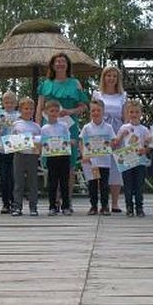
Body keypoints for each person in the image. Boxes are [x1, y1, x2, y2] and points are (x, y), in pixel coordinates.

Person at [35, 52, 89, 207]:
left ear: (67, 65)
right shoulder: (46, 84)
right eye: (57, 62)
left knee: (69, 164)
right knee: (52, 163)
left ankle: (67, 199)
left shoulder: (75, 83)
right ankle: (55, 199)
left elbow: (84, 106)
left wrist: (69, 111)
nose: (60, 64)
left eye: (63, 62)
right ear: (52, 65)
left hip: (68, 127)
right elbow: (39, 107)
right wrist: (38, 127)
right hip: (48, 128)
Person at [92, 66, 127, 213]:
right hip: (100, 133)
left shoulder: (122, 96)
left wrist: (120, 136)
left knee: (117, 168)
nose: (111, 78)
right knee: (100, 166)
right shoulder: (97, 94)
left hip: (117, 132)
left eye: (114, 76)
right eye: (108, 75)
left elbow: (125, 117)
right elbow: (93, 114)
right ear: (104, 77)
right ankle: (99, 202)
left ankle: (115, 202)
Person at [114, 100, 150, 217]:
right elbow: (116, 142)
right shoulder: (124, 127)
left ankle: (139, 207)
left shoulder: (144, 129)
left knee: (139, 185)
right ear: (127, 113)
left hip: (140, 161)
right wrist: (121, 136)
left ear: (141, 114)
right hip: (127, 161)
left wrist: (145, 149)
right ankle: (129, 206)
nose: (134, 114)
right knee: (128, 185)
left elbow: (149, 144)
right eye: (131, 112)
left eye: (136, 112)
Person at [81, 99, 116, 216]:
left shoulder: (108, 127)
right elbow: (82, 142)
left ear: (103, 111)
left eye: (98, 110)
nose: (96, 113)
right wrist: (84, 154)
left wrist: (107, 146)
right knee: (92, 185)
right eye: (93, 111)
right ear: (90, 112)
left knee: (104, 185)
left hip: (104, 161)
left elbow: (112, 141)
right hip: (91, 163)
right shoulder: (86, 127)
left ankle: (105, 206)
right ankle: (93, 206)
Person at [41, 100, 73, 216]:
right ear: (46, 112)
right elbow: (43, 144)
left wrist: (70, 142)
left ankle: (66, 206)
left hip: (64, 157)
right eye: (51, 111)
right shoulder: (44, 128)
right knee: (52, 183)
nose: (54, 113)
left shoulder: (63, 125)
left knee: (64, 183)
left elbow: (68, 139)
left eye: (56, 111)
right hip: (51, 158)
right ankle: (52, 206)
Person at [11, 97, 42, 216]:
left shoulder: (36, 126)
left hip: (33, 156)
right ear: (20, 110)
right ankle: (17, 206)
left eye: (31, 109)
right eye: (26, 108)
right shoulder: (15, 124)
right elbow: (11, 140)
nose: (28, 111)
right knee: (18, 181)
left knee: (33, 182)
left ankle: (33, 207)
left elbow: (40, 142)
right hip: (19, 155)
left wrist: (39, 147)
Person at [0, 91, 19, 214]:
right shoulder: (0, 114)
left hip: (15, 149)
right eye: (6, 102)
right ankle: (5, 203)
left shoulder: (19, 115)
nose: (9, 104)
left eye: (11, 102)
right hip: (2, 149)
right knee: (4, 177)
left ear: (15, 103)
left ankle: (15, 202)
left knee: (14, 177)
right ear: (3, 103)